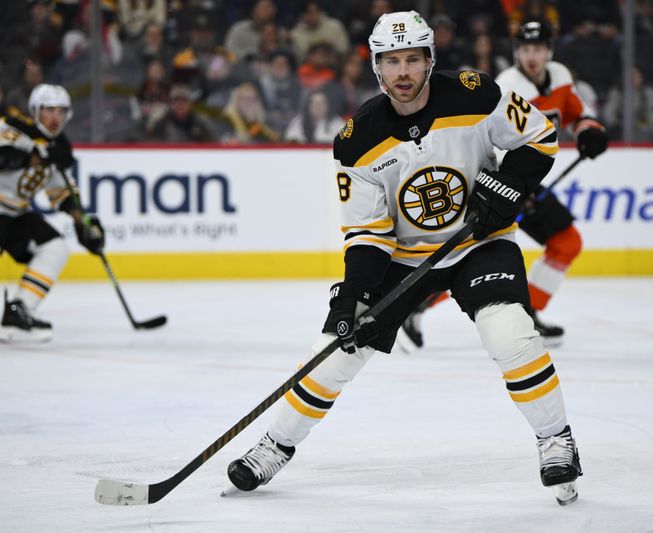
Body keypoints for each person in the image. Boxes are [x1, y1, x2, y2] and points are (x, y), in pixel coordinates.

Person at [227, 10, 582, 506]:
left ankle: (555, 439)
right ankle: (274, 445)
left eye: (413, 59)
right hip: (402, 258)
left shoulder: (477, 93)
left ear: (430, 60)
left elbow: (539, 136)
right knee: (334, 351)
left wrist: (507, 186)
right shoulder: (357, 141)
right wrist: (355, 295)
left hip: (480, 243)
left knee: (510, 332)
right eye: (391, 61)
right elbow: (367, 233)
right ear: (376, 67)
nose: (403, 73)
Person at [400, 19, 608, 350]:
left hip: (526, 184)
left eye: (538, 49)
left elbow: (577, 115)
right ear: (516, 52)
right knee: (467, 254)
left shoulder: (562, 79)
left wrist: (589, 132)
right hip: (493, 183)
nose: (532, 55)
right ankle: (415, 306)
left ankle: (530, 312)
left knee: (566, 242)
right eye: (525, 49)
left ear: (549, 52)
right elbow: (487, 141)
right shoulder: (509, 86)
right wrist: (506, 185)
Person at [0, 84, 105, 343]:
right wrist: (40, 155)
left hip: (16, 214)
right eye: (49, 110)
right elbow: (5, 158)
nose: (55, 117)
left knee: (55, 247)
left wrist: (83, 223)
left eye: (61, 111)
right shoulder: (12, 127)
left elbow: (60, 190)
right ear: (35, 110)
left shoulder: (60, 147)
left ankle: (19, 310)